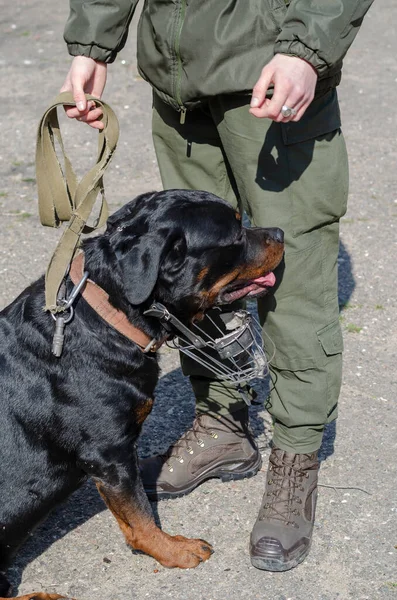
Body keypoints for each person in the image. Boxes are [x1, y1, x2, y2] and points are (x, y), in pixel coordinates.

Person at [60, 0, 373, 572]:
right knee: (198, 281)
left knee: (289, 277)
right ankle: (223, 423)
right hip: (180, 79)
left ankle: (296, 456)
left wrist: (307, 49)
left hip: (273, 61)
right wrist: (92, 41)